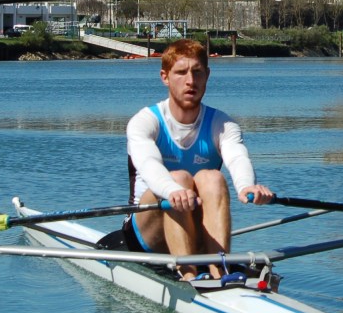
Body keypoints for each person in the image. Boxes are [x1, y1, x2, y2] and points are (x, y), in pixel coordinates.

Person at [115, 38, 273, 281]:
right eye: (181, 72)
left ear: (207, 75)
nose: (190, 81)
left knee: (212, 178)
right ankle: (189, 276)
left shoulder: (222, 124)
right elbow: (148, 164)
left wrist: (247, 186)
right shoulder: (145, 121)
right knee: (179, 178)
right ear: (165, 77)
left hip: (195, 230)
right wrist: (171, 190)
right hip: (146, 235)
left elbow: (237, 157)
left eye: (197, 72)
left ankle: (219, 270)